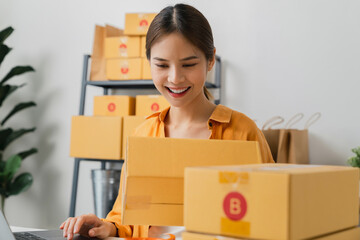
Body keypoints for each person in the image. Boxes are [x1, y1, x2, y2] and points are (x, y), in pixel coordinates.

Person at [60, 3, 274, 239]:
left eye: (189, 64)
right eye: (162, 65)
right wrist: (105, 226)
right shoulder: (144, 134)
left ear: (210, 60)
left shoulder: (243, 132)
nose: (175, 78)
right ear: (149, 62)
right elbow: (126, 219)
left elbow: (274, 213)